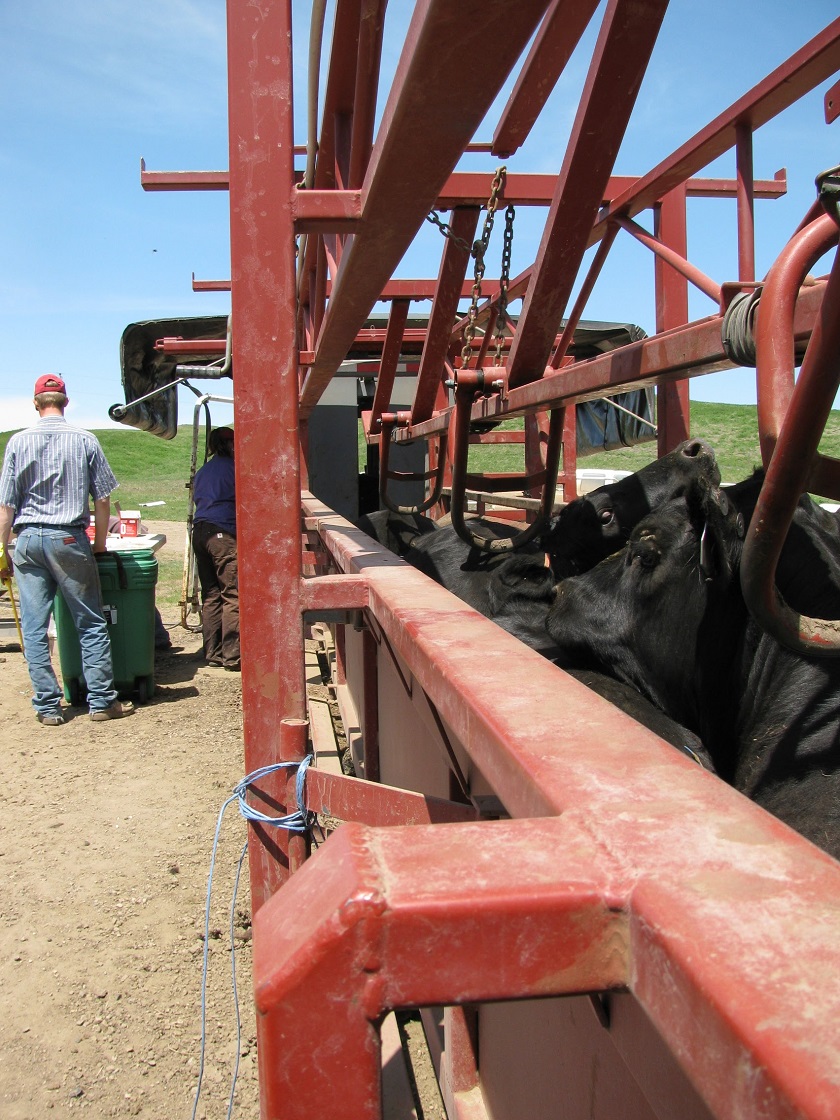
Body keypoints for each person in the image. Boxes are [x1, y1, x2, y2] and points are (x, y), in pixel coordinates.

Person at [0, 374, 136, 724]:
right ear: (66, 401)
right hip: (68, 537)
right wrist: (100, 544)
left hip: (27, 539)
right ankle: (102, 701)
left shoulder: (17, 442)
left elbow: (6, 508)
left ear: (35, 403)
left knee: (33, 626)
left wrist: (3, 551)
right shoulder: (84, 440)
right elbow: (103, 499)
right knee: (89, 620)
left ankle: (47, 706)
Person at [191, 426, 240, 671]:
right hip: (222, 534)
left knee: (211, 593)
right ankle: (233, 656)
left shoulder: (204, 471)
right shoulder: (234, 469)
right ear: (230, 444)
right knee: (233, 594)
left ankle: (213, 652)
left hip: (200, 532)